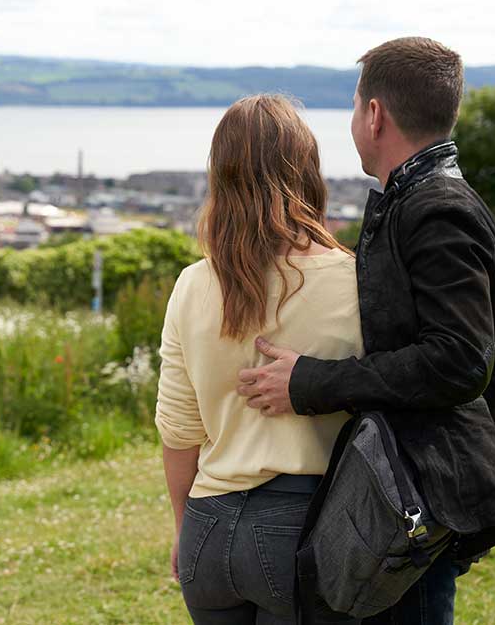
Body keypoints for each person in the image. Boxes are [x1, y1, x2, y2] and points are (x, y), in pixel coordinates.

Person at [236, 37, 495, 625]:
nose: (351, 120)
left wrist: (313, 381)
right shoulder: (429, 198)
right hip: (413, 495)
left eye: (353, 104)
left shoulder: (437, 209)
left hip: (419, 497)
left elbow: (459, 361)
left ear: (374, 114)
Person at [155, 94, 363, 625]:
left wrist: (185, 528)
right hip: (305, 525)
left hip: (208, 524)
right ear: (308, 170)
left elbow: (179, 430)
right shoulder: (354, 280)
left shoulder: (192, 284)